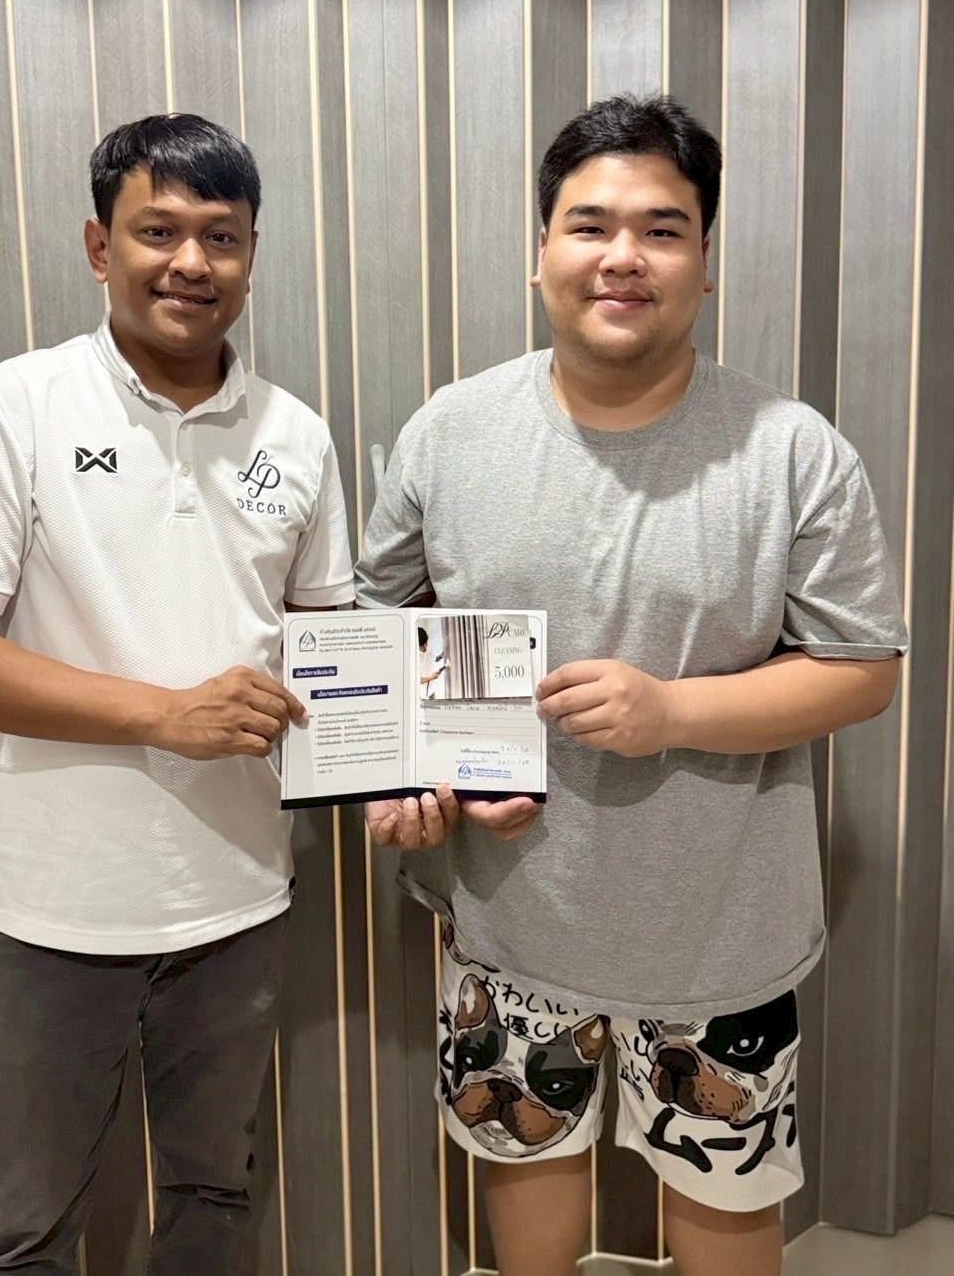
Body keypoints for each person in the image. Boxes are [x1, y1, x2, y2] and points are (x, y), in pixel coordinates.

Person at [357, 95, 906, 1276]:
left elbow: (863, 670)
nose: (622, 255)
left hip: (721, 927)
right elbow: (379, 627)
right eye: (589, 224)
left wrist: (673, 712)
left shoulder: (790, 449)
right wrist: (415, 772)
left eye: (661, 229)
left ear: (704, 262)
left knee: (723, 1203)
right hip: (507, 917)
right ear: (540, 252)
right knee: (525, 1178)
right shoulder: (449, 432)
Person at [0, 114, 354, 1275]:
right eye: (158, 231)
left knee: (212, 1199)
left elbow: (332, 658)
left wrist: (417, 768)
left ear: (251, 255)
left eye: (221, 237)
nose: (191, 262)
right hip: (55, 910)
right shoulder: (15, 407)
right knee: (24, 1235)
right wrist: (162, 713)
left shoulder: (297, 437)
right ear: (101, 247)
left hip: (239, 899)